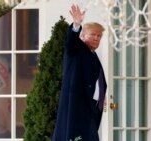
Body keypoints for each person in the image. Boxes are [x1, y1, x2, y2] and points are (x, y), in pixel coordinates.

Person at [52, 4, 107, 141]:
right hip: (75, 107)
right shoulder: (77, 50)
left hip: (89, 108)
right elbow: (71, 43)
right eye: (93, 34)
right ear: (82, 36)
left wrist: (99, 102)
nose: (96, 38)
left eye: (99, 36)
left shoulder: (92, 55)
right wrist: (76, 24)